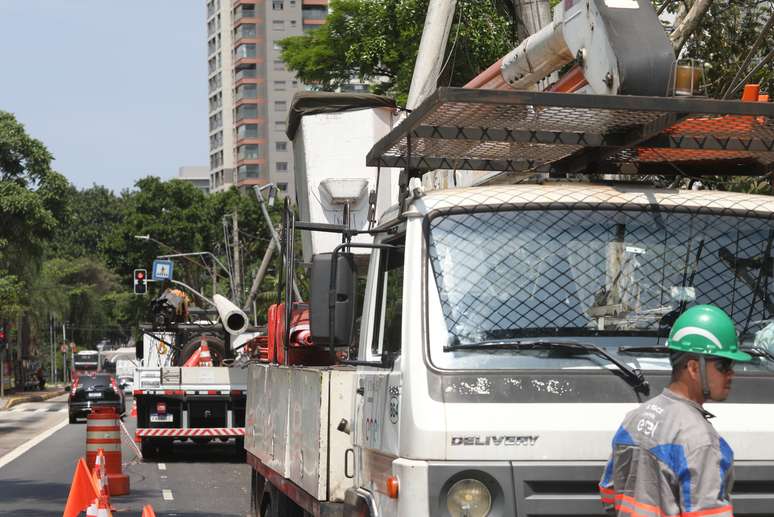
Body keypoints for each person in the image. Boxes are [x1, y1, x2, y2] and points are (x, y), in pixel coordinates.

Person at [599, 304, 752, 517]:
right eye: (724, 365)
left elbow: (608, 493)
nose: (731, 374)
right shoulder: (700, 441)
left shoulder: (633, 420)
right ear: (694, 368)